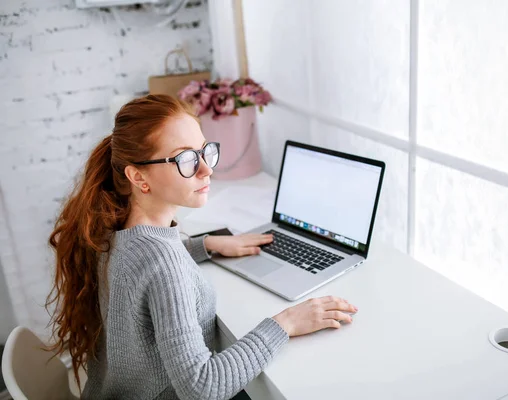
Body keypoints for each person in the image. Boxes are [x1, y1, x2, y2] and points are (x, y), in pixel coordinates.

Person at [46, 94, 357, 400]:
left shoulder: (110, 229)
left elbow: (147, 270)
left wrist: (205, 245)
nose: (206, 169)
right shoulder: (163, 265)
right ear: (139, 177)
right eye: (185, 159)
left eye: (204, 151)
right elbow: (203, 388)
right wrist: (285, 323)